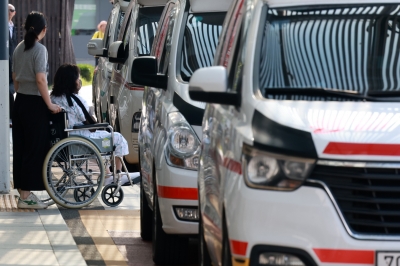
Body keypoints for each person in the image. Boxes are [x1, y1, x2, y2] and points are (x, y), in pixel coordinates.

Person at [50, 64, 136, 186]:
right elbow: (90, 124)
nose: (79, 81)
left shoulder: (53, 98)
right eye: (77, 78)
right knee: (117, 138)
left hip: (66, 138)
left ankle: (107, 174)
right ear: (71, 81)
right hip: (82, 139)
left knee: (103, 139)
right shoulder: (74, 100)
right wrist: (97, 121)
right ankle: (117, 174)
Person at [12, 11, 62, 209]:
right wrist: (49, 104)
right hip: (34, 104)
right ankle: (26, 197)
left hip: (20, 102)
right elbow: (41, 79)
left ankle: (23, 194)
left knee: (21, 148)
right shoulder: (39, 49)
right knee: (34, 149)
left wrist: (21, 91)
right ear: (43, 30)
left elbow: (15, 78)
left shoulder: (18, 48)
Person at [8, 4, 17, 127]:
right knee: (8, 90)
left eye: (11, 10)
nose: (9, 12)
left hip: (13, 63)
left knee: (11, 88)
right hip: (5, 62)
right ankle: (11, 116)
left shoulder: (13, 26)